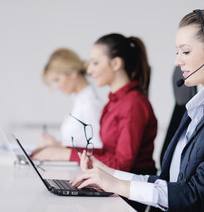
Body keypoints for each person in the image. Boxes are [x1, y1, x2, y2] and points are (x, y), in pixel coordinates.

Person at [70, 9, 204, 212]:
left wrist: (117, 185)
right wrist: (108, 173)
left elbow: (195, 195)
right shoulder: (201, 107)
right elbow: (168, 182)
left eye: (186, 51)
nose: (177, 61)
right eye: (177, 52)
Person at [33, 34, 158, 176]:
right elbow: (106, 152)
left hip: (130, 190)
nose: (89, 70)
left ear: (116, 64)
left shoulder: (132, 104)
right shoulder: (114, 103)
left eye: (96, 63)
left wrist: (66, 154)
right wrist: (62, 150)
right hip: (115, 182)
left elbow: (122, 166)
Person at [32, 48, 104, 160]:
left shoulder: (90, 105)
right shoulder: (80, 102)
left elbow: (97, 151)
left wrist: (58, 149)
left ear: (72, 73)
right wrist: (56, 144)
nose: (56, 87)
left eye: (57, 80)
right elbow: (81, 143)